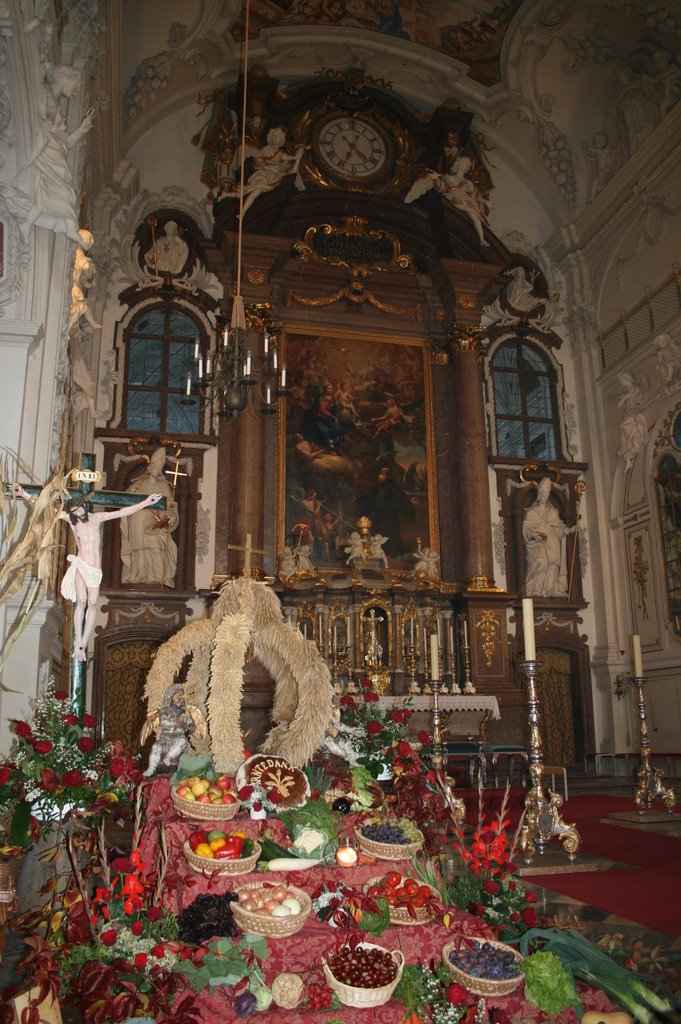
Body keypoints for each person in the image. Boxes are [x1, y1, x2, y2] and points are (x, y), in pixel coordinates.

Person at [6, 64, 95, 247]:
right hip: (45, 150)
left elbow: (64, 143)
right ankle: (68, 228)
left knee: (53, 193)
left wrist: (81, 130)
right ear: (66, 78)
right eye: (76, 85)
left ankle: (28, 223)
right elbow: (36, 122)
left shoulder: (54, 104)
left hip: (54, 152)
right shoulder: (44, 94)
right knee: (64, 193)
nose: (77, 90)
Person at [404, 144, 490, 246]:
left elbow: (475, 196)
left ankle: (482, 240)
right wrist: (435, 180)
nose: (464, 167)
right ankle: (482, 239)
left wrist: (485, 202)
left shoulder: (467, 182)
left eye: (466, 166)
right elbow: (442, 187)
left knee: (476, 216)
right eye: (463, 165)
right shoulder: (449, 178)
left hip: (468, 201)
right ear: (458, 165)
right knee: (474, 213)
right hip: (459, 201)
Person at [120, 448, 179, 588]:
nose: (156, 470)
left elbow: (171, 505)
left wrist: (172, 516)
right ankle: (138, 575)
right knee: (140, 550)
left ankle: (159, 577)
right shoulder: (138, 484)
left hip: (156, 524)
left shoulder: (164, 486)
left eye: (159, 467)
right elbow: (125, 499)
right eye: (154, 466)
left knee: (159, 546)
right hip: (138, 525)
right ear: (149, 466)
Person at [225, 126, 305, 218]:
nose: (276, 139)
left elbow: (292, 169)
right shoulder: (266, 150)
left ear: (282, 140)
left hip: (273, 179)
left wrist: (298, 157)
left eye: (278, 136)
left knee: (249, 191)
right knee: (256, 190)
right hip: (263, 175)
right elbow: (257, 155)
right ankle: (242, 212)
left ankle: (227, 196)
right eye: (274, 136)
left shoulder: (281, 157)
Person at [522, 477, 576, 598]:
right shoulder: (532, 512)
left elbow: (558, 527)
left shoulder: (552, 511)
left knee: (553, 566)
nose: (544, 496)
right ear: (538, 494)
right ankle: (536, 589)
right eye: (542, 494)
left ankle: (551, 589)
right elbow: (526, 529)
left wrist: (568, 530)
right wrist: (535, 535)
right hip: (538, 545)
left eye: (546, 494)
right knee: (541, 564)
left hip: (553, 543)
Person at [142, 684, 206, 776]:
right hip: (166, 740)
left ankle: (168, 757)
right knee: (156, 747)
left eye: (182, 698)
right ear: (171, 697)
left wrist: (190, 727)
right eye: (178, 697)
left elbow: (192, 727)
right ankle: (151, 768)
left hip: (178, 742)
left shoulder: (185, 714)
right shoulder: (166, 711)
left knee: (182, 741)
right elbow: (163, 722)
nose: (181, 700)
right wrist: (176, 723)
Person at [616, 371, 648, 468]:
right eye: (620, 381)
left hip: (633, 414)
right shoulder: (625, 393)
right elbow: (619, 405)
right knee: (624, 430)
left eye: (622, 381)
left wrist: (636, 406)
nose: (621, 383)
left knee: (626, 427)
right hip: (627, 414)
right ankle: (628, 454)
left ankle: (631, 451)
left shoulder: (636, 389)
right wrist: (625, 397)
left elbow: (641, 401)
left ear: (628, 379)